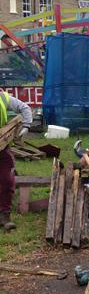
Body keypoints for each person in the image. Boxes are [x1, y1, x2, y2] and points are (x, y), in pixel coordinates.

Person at [0, 91, 32, 231]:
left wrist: (26, 126)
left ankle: (4, 216)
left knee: (7, 179)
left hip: (1, 145)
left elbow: (24, 108)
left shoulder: (2, 97)